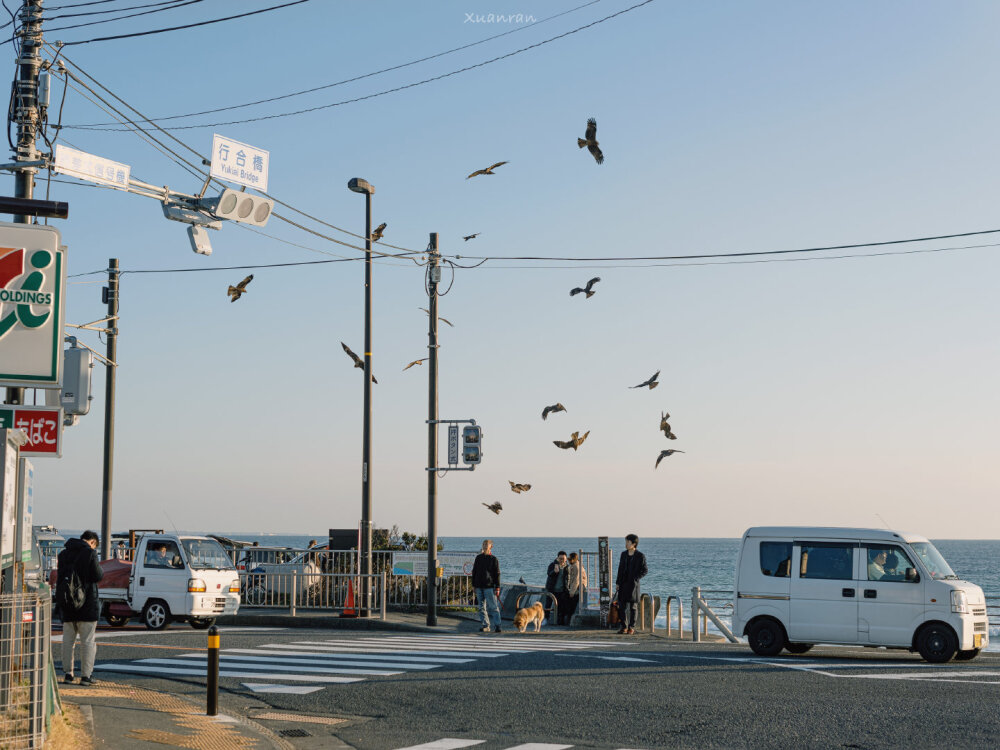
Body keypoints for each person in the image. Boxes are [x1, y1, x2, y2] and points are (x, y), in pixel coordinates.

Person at [57, 530, 104, 686]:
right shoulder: (90, 553)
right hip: (87, 604)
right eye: (94, 545)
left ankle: (68, 675)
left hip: (68, 604)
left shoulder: (63, 554)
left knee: (68, 641)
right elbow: (98, 576)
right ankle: (85, 676)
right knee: (88, 642)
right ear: (91, 542)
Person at [614, 534, 647, 635]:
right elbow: (620, 569)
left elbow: (645, 570)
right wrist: (617, 582)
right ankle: (623, 626)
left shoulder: (640, 556)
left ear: (634, 544)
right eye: (626, 542)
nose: (626, 544)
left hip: (633, 584)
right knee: (621, 605)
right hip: (623, 583)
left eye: (628, 542)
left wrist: (636, 578)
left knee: (633, 607)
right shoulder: (623, 554)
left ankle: (631, 627)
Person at [471, 539, 502, 633]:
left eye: (486, 544)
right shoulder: (478, 558)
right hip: (479, 586)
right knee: (481, 607)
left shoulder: (494, 559)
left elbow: (497, 574)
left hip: (489, 587)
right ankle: (485, 625)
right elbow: (474, 571)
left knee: (493, 607)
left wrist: (497, 587)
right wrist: (473, 585)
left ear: (491, 546)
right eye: (483, 544)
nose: (484, 546)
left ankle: (497, 625)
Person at [546, 551, 570, 625]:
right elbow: (549, 573)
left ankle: (559, 622)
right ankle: (545, 619)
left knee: (561, 607)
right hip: (551, 589)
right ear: (557, 558)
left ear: (566, 559)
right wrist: (554, 571)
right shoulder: (552, 565)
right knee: (548, 605)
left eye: (563, 558)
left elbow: (569, 578)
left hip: (562, 590)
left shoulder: (567, 567)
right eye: (560, 558)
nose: (562, 560)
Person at [565, 552, 588, 624]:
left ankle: (569, 621)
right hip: (580, 588)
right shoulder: (578, 565)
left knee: (571, 606)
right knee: (571, 606)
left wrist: (572, 592)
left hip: (577, 589)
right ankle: (568, 620)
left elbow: (576, 580)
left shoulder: (576, 566)